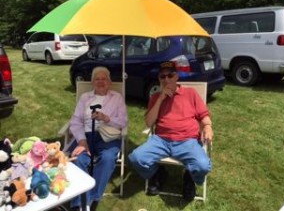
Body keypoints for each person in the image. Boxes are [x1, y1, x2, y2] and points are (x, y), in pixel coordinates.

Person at [128, 61, 213, 201]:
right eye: (162, 77)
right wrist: (160, 99)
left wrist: (208, 126)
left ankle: (190, 177)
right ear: (159, 79)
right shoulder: (155, 97)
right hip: (161, 139)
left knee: (202, 166)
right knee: (136, 158)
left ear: (176, 76)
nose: (166, 79)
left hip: (188, 140)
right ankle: (157, 173)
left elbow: (204, 115)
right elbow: (149, 122)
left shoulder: (190, 93)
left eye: (170, 75)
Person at [68, 67, 128, 211]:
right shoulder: (85, 98)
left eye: (104, 78)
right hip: (86, 135)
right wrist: (82, 141)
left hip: (108, 137)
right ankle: (79, 203)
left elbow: (123, 122)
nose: (101, 82)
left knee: (107, 158)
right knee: (78, 159)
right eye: (97, 79)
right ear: (92, 82)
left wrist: (106, 118)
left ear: (110, 81)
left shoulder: (117, 97)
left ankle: (93, 198)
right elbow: (76, 122)